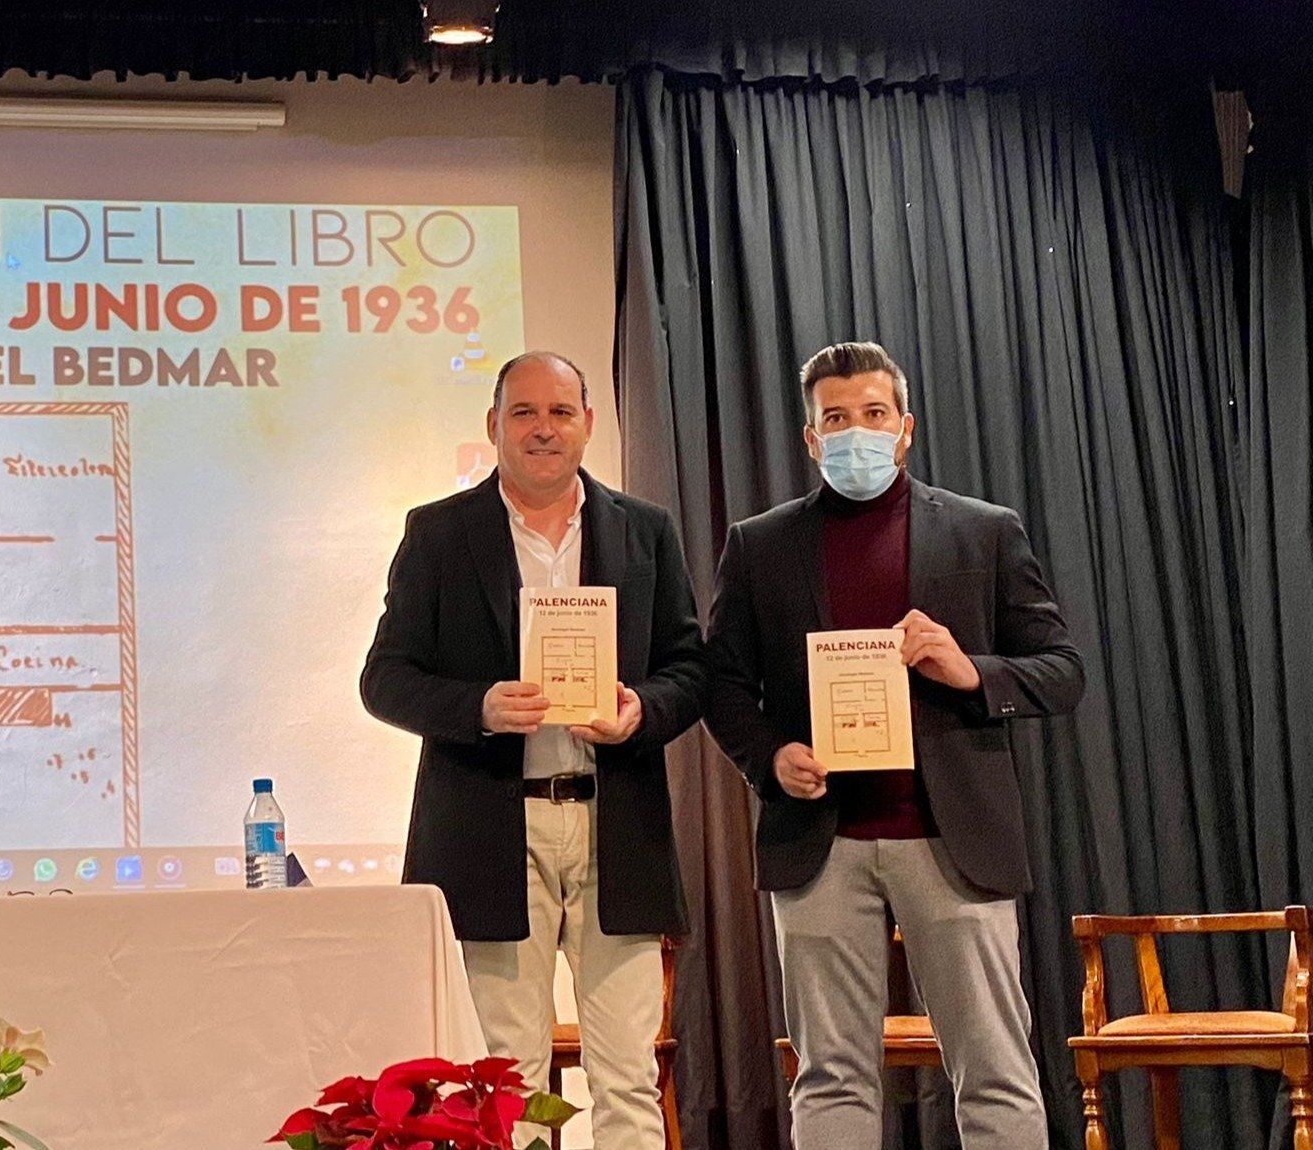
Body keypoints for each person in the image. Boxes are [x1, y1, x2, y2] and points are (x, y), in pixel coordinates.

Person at [703, 341, 1085, 1147]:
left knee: (994, 1070)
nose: (856, 434)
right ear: (810, 439)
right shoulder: (761, 544)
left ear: (904, 428)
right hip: (821, 842)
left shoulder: (984, 532)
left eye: (873, 415)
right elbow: (723, 685)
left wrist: (969, 670)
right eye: (834, 419)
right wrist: (771, 757)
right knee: (831, 1076)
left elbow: (1061, 671)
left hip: (954, 839)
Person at [362, 351, 708, 1148]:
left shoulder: (645, 530)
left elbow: (691, 669)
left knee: (627, 1072)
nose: (543, 429)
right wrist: (478, 706)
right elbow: (384, 679)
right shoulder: (439, 533)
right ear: (493, 427)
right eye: (523, 413)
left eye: (560, 411)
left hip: (614, 823)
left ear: (588, 423)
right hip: (490, 829)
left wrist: (640, 711)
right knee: (501, 1078)